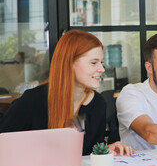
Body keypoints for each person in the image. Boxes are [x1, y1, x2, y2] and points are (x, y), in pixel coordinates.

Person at [0, 30, 134, 156]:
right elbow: (4, 144)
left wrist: (105, 149)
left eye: (101, 62)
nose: (102, 69)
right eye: (94, 63)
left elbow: (89, 153)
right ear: (69, 63)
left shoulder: (98, 103)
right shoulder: (32, 101)